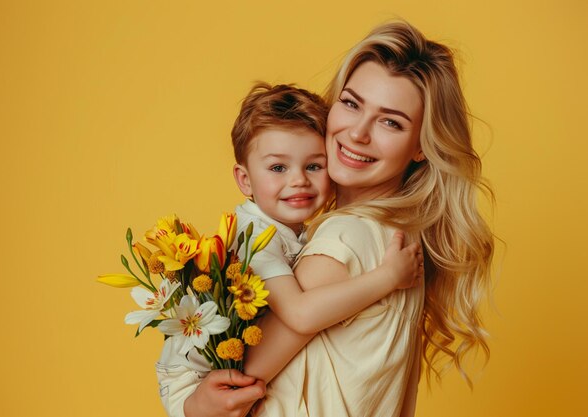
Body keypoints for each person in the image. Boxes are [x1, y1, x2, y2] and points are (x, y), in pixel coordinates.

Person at [168, 20, 494, 417]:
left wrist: (193, 403)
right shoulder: (402, 239)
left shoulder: (346, 237)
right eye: (352, 103)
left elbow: (238, 379)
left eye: (390, 121)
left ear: (422, 146)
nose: (357, 133)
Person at [156, 82, 425, 417]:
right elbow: (301, 314)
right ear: (245, 180)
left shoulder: (323, 231)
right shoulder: (256, 237)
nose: (298, 180)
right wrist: (387, 276)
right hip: (187, 378)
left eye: (313, 166)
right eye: (278, 168)